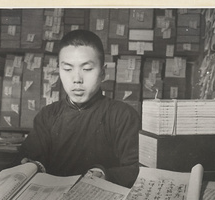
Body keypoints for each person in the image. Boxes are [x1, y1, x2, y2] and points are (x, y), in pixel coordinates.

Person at [19, 29, 140, 188]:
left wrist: (104, 174)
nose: (77, 79)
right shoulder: (47, 116)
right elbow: (24, 161)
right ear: (59, 71)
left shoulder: (122, 115)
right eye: (68, 69)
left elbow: (135, 169)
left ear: (103, 73)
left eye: (87, 69)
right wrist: (30, 166)